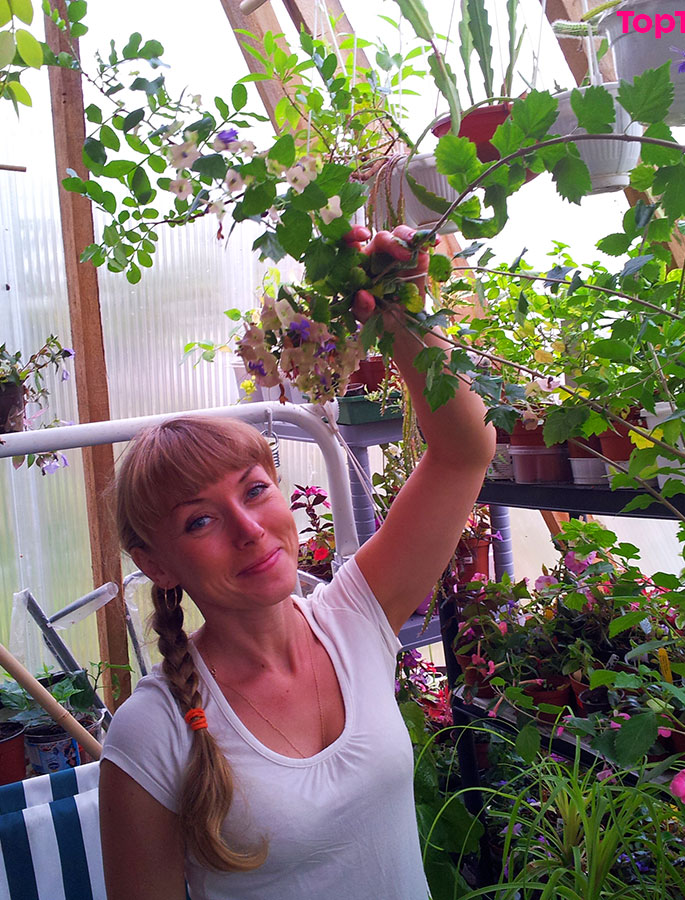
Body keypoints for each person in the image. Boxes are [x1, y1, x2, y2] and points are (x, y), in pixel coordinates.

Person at [98, 226, 497, 899]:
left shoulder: (353, 620)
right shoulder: (152, 734)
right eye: (200, 520)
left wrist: (401, 312)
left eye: (255, 491)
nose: (251, 530)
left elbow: (464, 451)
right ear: (157, 564)